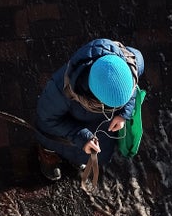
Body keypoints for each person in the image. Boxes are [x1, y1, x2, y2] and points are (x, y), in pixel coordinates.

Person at [35, 38, 144, 181]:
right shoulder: (61, 90)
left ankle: (78, 157)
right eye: (111, 106)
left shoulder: (130, 65)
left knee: (87, 151)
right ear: (94, 98)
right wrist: (81, 137)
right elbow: (48, 118)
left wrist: (124, 114)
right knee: (53, 142)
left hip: (98, 127)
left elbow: (131, 92)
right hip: (62, 131)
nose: (115, 109)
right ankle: (49, 154)